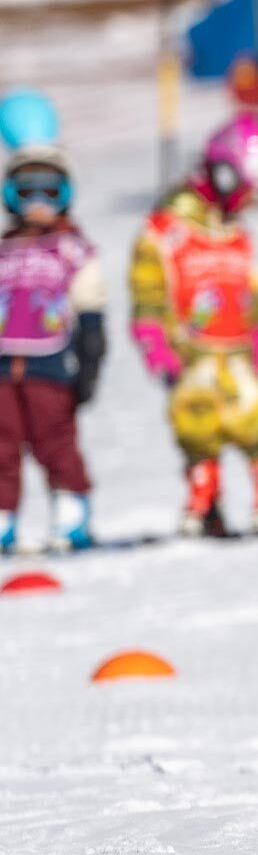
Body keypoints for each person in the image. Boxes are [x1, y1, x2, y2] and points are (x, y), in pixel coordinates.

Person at [132, 114, 258, 537]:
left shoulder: (236, 233)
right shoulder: (167, 231)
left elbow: (252, 293)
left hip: (237, 353)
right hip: (190, 353)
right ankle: (205, 493)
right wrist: (153, 341)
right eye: (249, 192)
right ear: (223, 173)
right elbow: (148, 290)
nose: (252, 203)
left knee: (254, 417)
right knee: (196, 421)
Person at [0, 143, 106, 553]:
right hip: (5, 366)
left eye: (50, 193)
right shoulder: (5, 251)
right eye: (28, 194)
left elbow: (90, 304)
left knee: (54, 439)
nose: (40, 205)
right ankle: (4, 515)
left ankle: (71, 507)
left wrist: (90, 360)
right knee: (2, 444)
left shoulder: (71, 248)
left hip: (52, 363)